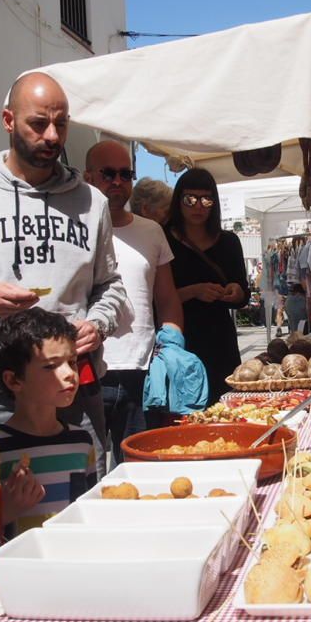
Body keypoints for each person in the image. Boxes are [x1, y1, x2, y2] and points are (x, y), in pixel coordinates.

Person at [0, 72, 130, 477]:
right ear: (8, 121)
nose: (53, 136)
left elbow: (110, 285)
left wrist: (98, 323)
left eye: (61, 123)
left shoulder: (91, 202)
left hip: (72, 395)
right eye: (38, 123)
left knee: (80, 510)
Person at [84, 140, 183, 457]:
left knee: (143, 466)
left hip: (142, 370)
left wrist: (173, 348)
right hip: (88, 368)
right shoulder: (75, 230)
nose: (117, 182)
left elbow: (167, 299)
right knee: (92, 474)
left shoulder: (152, 231)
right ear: (89, 177)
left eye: (126, 174)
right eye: (108, 174)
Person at [0, 308, 96, 536]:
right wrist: (5, 511)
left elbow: (87, 512)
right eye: (50, 366)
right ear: (14, 379)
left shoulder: (81, 442)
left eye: (72, 362)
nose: (69, 374)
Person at [165, 168, 249, 403]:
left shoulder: (229, 242)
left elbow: (243, 292)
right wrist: (193, 291)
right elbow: (154, 298)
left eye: (206, 199)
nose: (198, 206)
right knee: (183, 411)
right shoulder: (162, 238)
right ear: (178, 200)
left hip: (219, 341)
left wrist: (236, 291)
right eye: (190, 199)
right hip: (180, 340)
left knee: (223, 407)